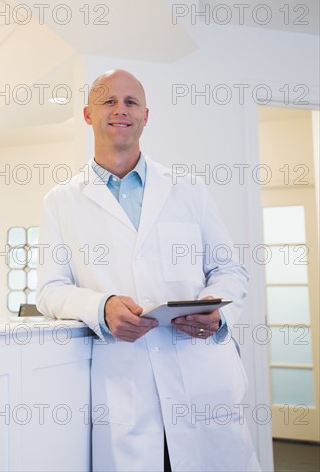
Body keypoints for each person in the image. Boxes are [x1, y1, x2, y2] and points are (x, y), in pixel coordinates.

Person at [36, 69, 261, 472]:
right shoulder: (61, 201)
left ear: (145, 115)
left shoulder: (188, 190)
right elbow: (50, 289)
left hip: (199, 375)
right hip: (127, 385)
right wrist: (100, 306)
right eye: (108, 101)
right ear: (88, 114)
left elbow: (229, 269)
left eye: (130, 102)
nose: (120, 110)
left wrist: (217, 309)